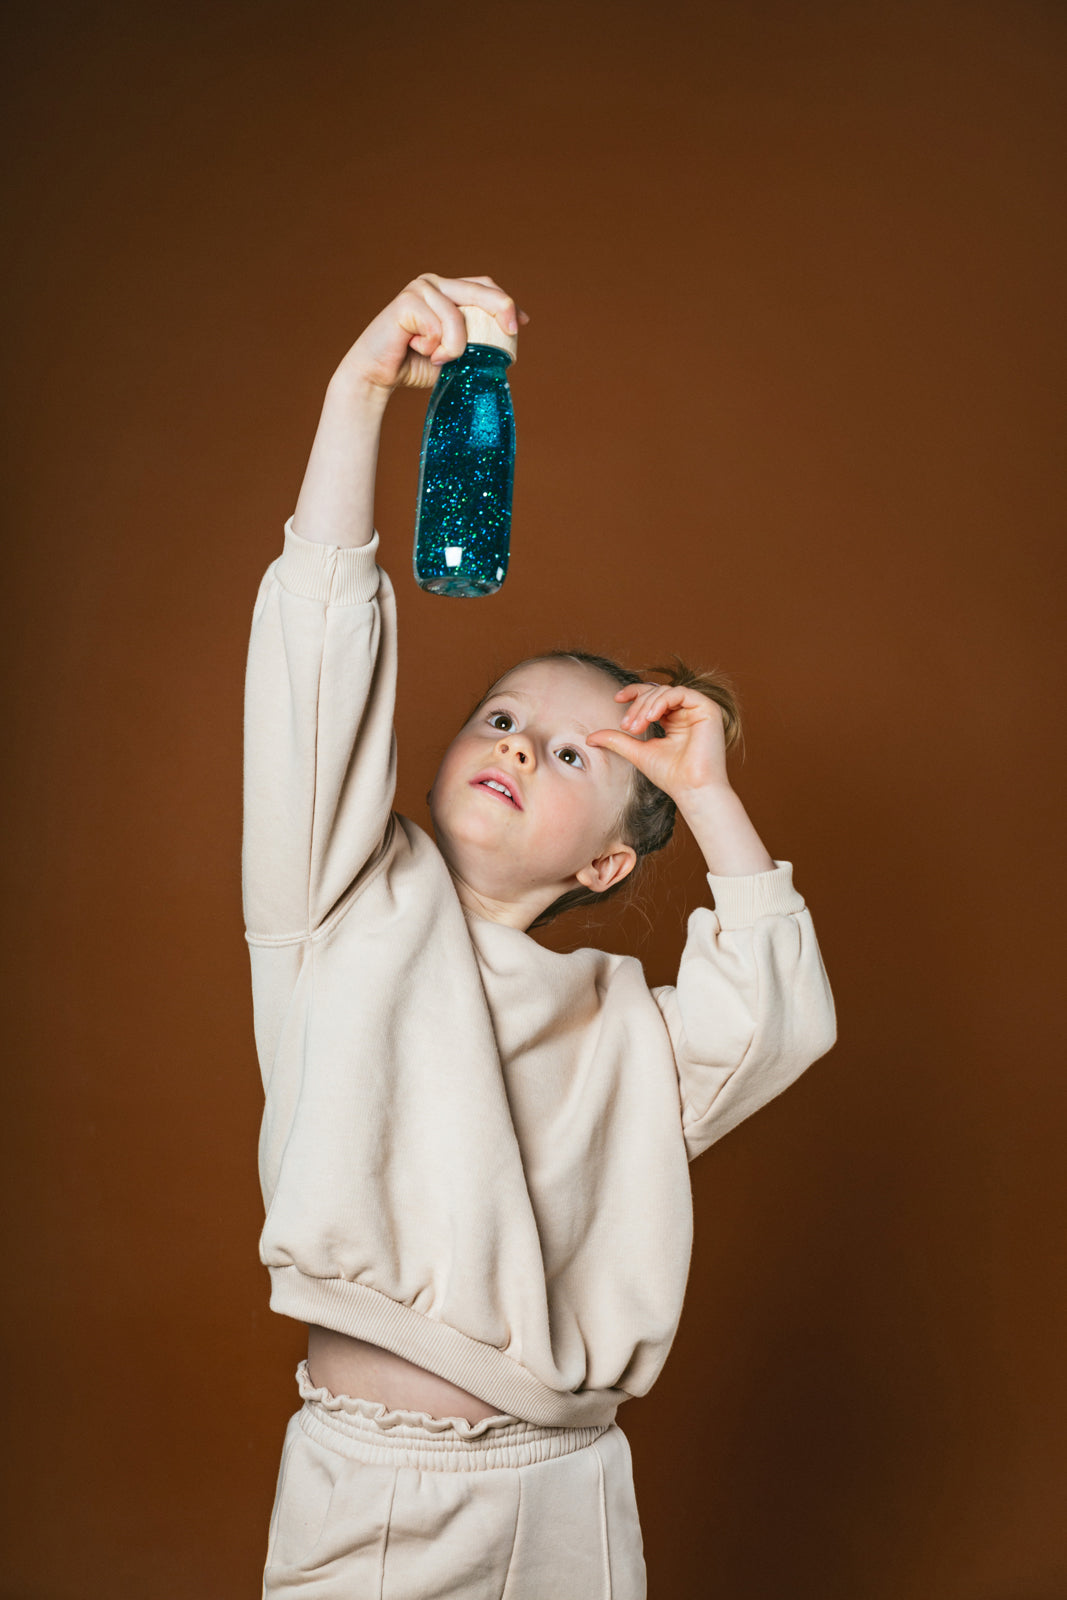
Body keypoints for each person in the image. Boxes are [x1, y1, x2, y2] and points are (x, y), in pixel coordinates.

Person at [242, 272, 837, 1599]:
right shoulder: (341, 907)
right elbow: (316, 661)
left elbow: (780, 1020)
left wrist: (710, 792)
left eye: (572, 750)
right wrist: (356, 398)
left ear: (611, 857)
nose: (515, 741)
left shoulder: (620, 1021)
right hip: (380, 1496)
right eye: (502, 715)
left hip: (570, 1494)